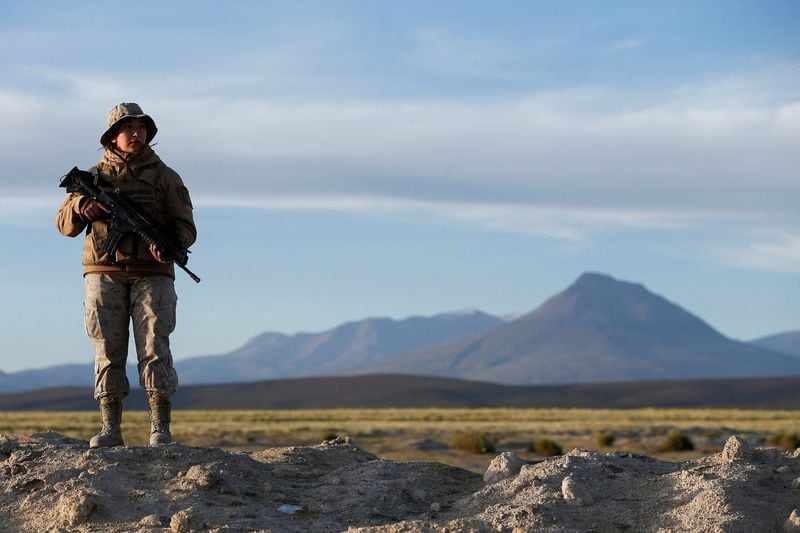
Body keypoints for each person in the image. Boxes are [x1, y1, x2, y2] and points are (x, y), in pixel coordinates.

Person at [56, 103, 197, 448]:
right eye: (128, 128)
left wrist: (172, 244)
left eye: (141, 127)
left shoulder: (166, 177)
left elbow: (187, 226)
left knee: (155, 347)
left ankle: (160, 428)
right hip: (104, 273)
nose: (136, 133)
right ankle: (110, 429)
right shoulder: (92, 178)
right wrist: (80, 207)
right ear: (112, 137)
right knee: (107, 348)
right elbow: (64, 225)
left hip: (153, 274)